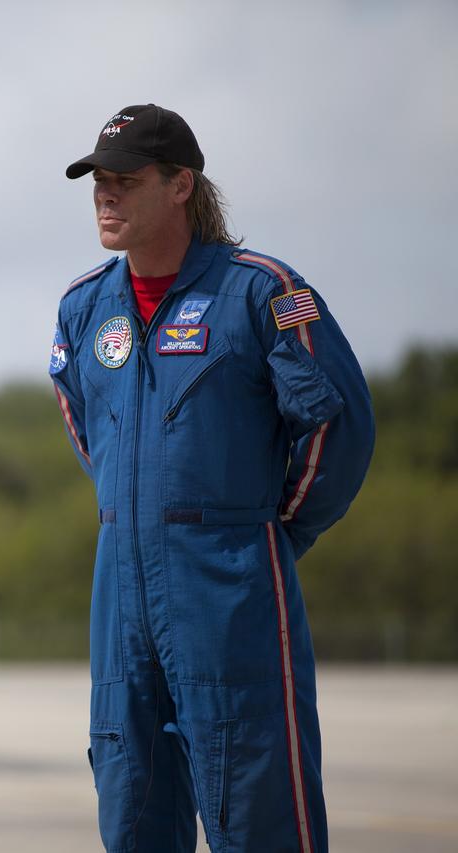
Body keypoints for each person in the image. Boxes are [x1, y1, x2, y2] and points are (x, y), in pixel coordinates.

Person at [50, 104, 374, 852]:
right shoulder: (81, 307)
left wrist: (271, 532)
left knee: (257, 810)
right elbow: (84, 424)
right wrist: (139, 514)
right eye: (99, 180)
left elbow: (336, 427)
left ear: (180, 184)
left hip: (231, 595)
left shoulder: (260, 293)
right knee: (131, 805)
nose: (106, 194)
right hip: (119, 594)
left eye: (125, 180)